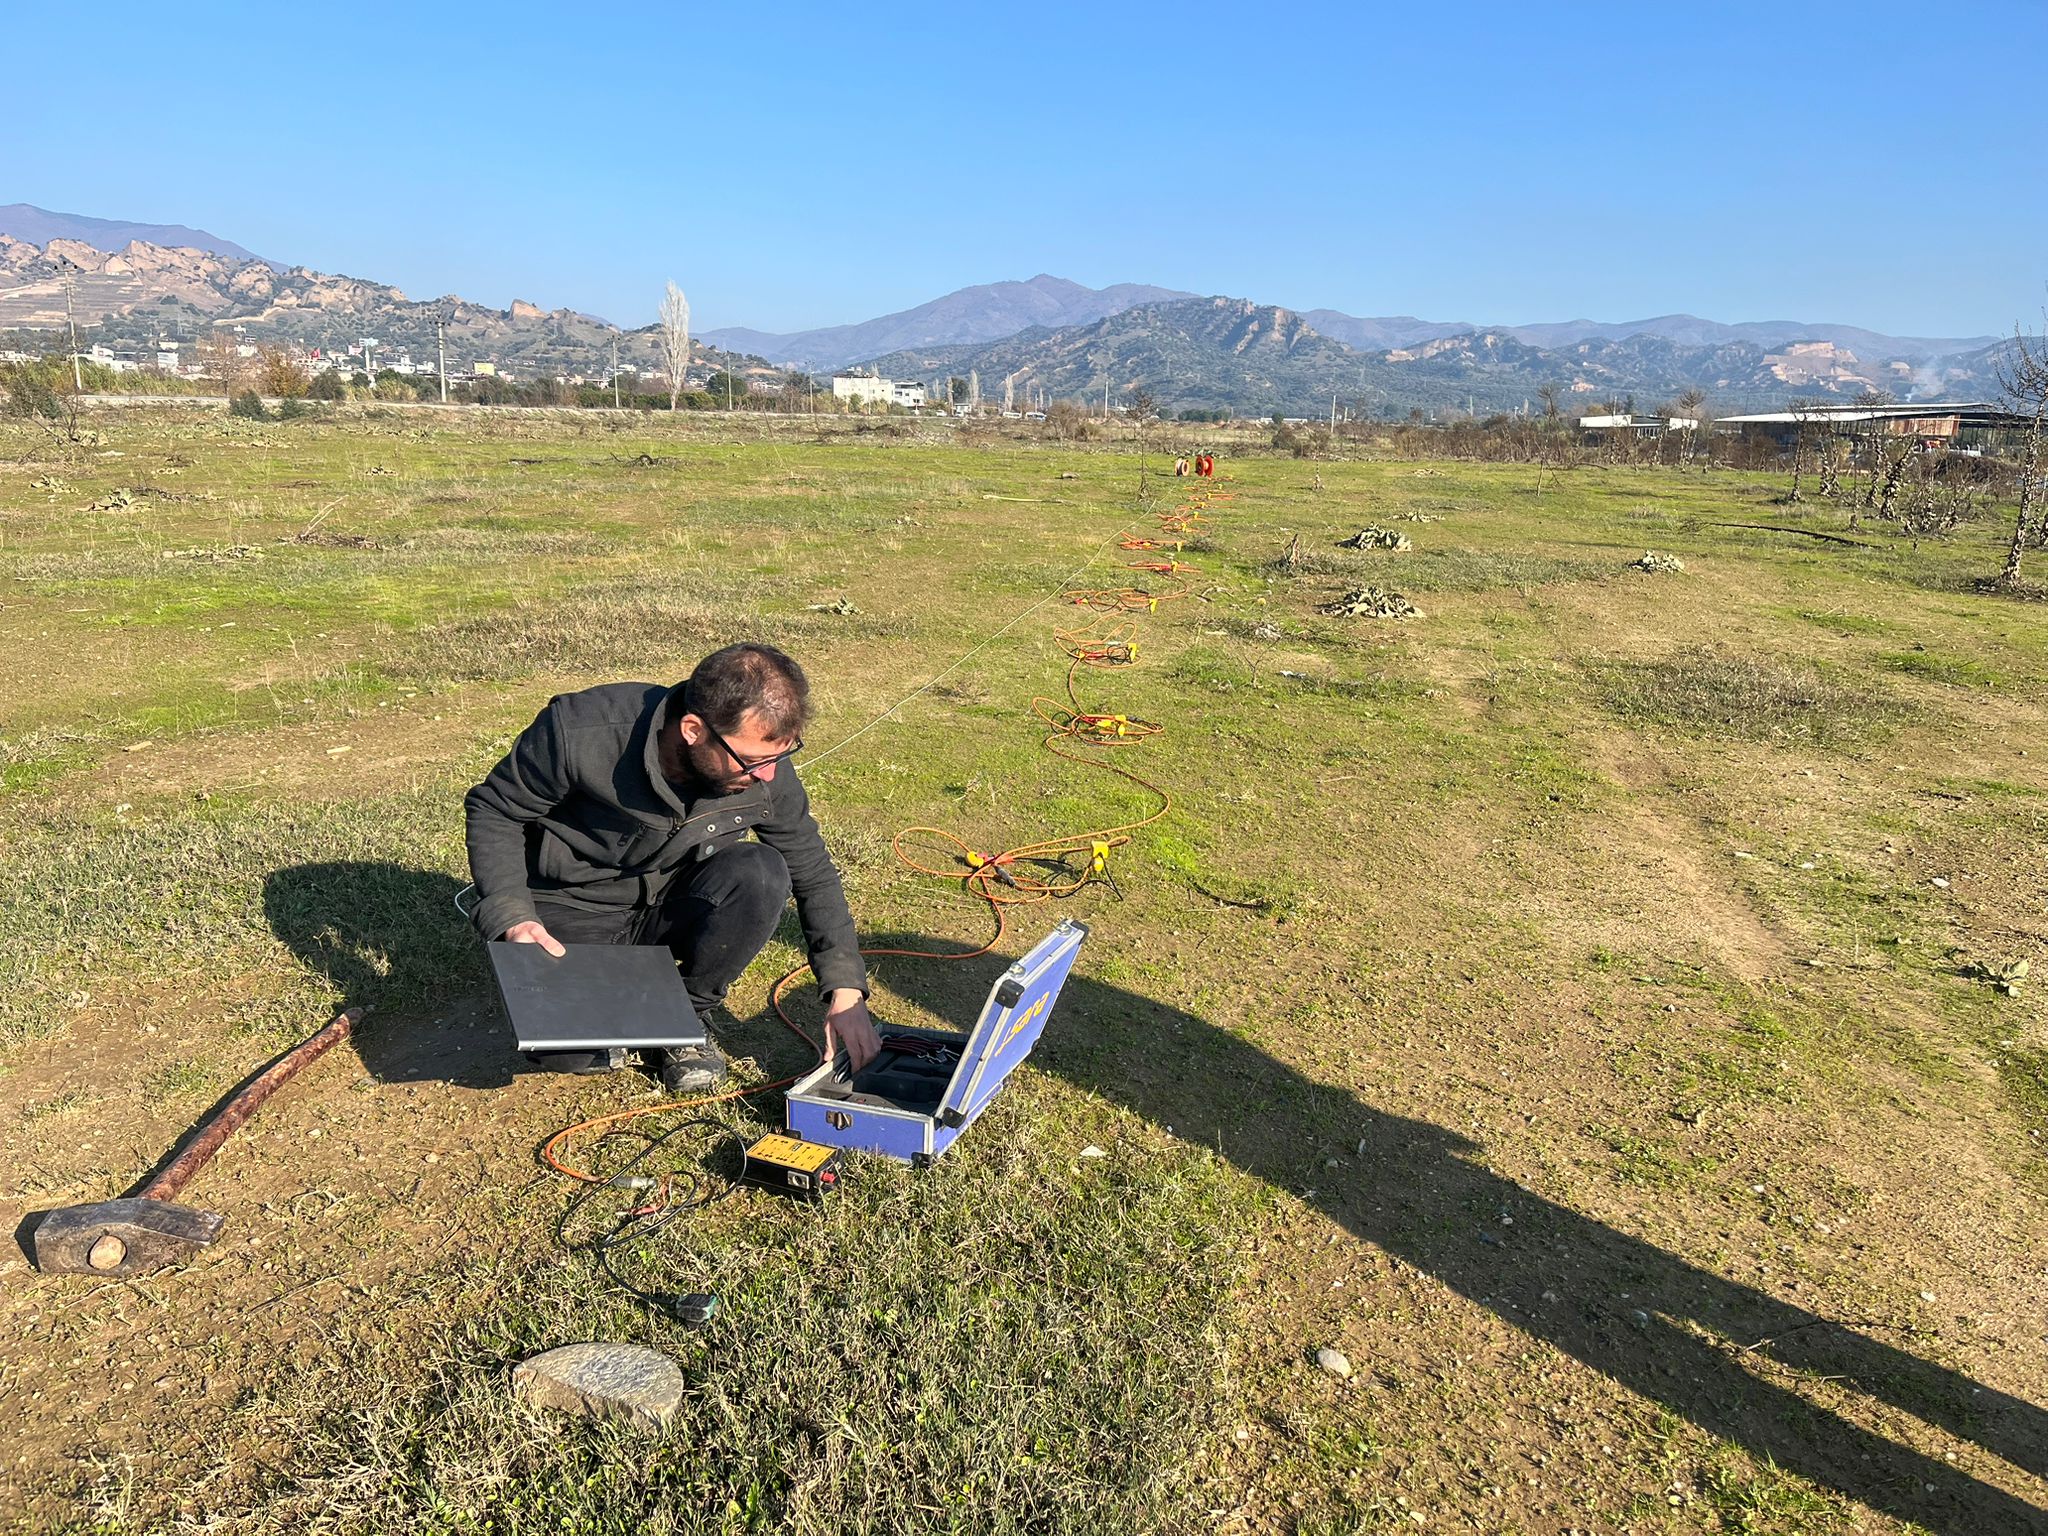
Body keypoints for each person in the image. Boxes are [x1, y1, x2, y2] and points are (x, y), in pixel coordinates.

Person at [463, 642, 879, 1095]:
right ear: (692, 729)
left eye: (779, 757)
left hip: (673, 897)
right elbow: (496, 810)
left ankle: (685, 1013)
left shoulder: (761, 765)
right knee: (569, 1050)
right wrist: (513, 917)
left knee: (762, 870)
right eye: (753, 762)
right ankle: (624, 1001)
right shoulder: (582, 730)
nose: (767, 777)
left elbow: (811, 868)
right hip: (574, 903)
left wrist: (845, 989)